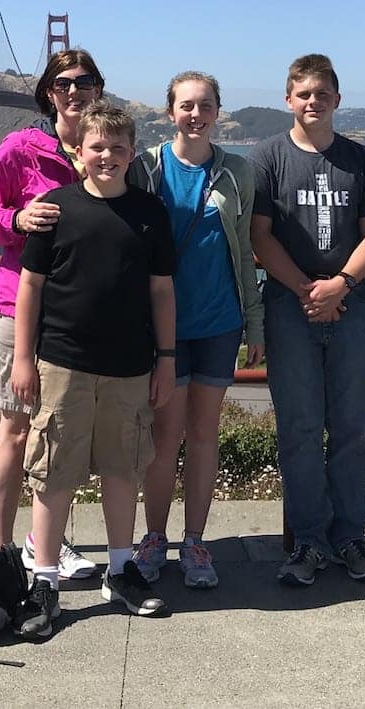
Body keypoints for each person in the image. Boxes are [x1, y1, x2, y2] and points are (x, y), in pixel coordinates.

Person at [8, 102, 178, 637]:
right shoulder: (54, 208)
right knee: (53, 472)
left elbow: (162, 290)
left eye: (118, 148)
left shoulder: (150, 213)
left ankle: (122, 569)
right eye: (97, 147)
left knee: (124, 468)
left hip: (130, 366)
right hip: (61, 363)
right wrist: (22, 358)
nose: (107, 156)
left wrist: (167, 360)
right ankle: (45, 582)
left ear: (132, 154)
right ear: (78, 153)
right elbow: (29, 286)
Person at [0, 49, 106, 580]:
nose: (74, 91)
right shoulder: (20, 148)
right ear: (49, 92)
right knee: (16, 428)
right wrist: (18, 218)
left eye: (85, 82)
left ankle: (45, 542)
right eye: (63, 83)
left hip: (80, 312)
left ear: (98, 90)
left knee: (65, 434)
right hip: (17, 307)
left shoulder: (105, 151)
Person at [249, 54, 365, 586]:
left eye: (322, 93)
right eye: (303, 93)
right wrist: (307, 288)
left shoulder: (362, 160)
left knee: (353, 428)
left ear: (337, 99)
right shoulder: (266, 157)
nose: (313, 102)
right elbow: (261, 236)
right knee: (299, 431)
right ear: (288, 99)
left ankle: (351, 538)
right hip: (290, 305)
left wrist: (341, 285)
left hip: (351, 305)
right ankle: (306, 542)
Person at [129, 71, 264, 589]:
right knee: (165, 437)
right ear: (170, 113)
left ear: (217, 111)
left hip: (218, 321)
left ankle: (196, 542)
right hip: (160, 326)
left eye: (204, 105)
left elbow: (246, 253)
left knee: (204, 435)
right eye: (186, 105)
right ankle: (155, 538)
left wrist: (256, 322)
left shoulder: (238, 172)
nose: (195, 114)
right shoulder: (147, 167)